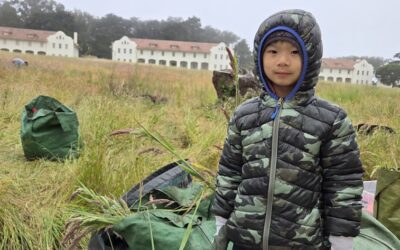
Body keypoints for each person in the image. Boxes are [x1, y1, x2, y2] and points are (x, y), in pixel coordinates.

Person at [211, 9, 364, 250]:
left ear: (310, 58)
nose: (283, 60)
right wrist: (221, 222)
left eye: (294, 52)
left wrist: (342, 239)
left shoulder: (331, 119)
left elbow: (343, 183)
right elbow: (229, 172)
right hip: (245, 240)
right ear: (260, 56)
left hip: (302, 243)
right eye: (273, 51)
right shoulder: (244, 114)